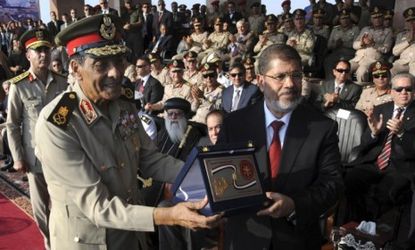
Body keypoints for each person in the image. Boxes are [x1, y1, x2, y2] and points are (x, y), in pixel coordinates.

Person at [34, 14, 222, 250]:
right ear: (75, 67)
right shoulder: (58, 123)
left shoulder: (123, 104)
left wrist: (205, 174)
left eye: (120, 61)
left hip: (133, 235)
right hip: (92, 242)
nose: (115, 73)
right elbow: (97, 207)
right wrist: (169, 216)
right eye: (102, 64)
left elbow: (149, 158)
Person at [217, 44, 343, 249]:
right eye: (280, 76)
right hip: (245, 237)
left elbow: (333, 185)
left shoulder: (322, 128)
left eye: (296, 75)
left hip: (297, 239)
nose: (290, 84)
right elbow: (220, 177)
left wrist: (294, 204)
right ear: (260, 81)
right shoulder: (234, 125)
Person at [6, 28, 68, 250]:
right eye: (38, 50)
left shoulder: (63, 82)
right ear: (28, 55)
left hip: (63, 156)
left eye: (46, 50)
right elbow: (12, 124)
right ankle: (50, 243)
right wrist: (18, 157)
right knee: (41, 207)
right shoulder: (19, 85)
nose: (43, 54)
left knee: (64, 204)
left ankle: (64, 241)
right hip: (35, 157)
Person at [339, 73, 415, 248]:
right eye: (399, 89)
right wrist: (373, 133)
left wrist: (403, 133)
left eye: (408, 89)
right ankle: (350, 230)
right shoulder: (381, 109)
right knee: (351, 179)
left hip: (401, 167)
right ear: (392, 91)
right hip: (375, 163)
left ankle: (380, 239)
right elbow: (364, 144)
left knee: (388, 189)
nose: (404, 92)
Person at [350, 6, 393, 84]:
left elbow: (386, 49)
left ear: (383, 18)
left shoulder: (388, 31)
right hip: (358, 58)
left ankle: (359, 90)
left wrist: (373, 44)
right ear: (371, 19)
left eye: (379, 17)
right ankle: (348, 88)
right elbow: (354, 45)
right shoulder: (365, 29)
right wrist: (362, 43)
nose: (377, 20)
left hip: (372, 60)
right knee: (346, 68)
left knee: (361, 72)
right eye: (374, 18)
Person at [390, 7, 415, 76]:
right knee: (391, 71)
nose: (411, 23)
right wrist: (409, 41)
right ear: (406, 22)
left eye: (414, 20)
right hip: (403, 63)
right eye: (409, 21)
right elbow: (395, 52)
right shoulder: (401, 35)